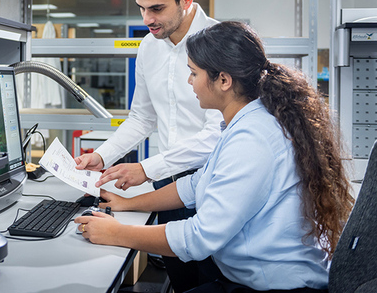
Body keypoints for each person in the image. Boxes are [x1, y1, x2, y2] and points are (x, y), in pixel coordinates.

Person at [75, 21, 355, 293]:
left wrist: (116, 233)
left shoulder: (252, 139)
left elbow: (200, 237)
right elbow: (196, 185)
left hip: (276, 287)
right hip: (251, 279)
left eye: (194, 73)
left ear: (223, 80)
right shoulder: (246, 123)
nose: (190, 82)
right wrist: (128, 204)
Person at [74, 0, 223, 291]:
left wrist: (146, 168)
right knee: (184, 282)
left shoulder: (219, 43)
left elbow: (218, 135)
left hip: (214, 184)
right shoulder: (148, 47)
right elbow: (142, 117)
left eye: (156, 8)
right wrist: (102, 155)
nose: (147, 19)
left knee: (214, 281)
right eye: (142, 8)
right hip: (167, 186)